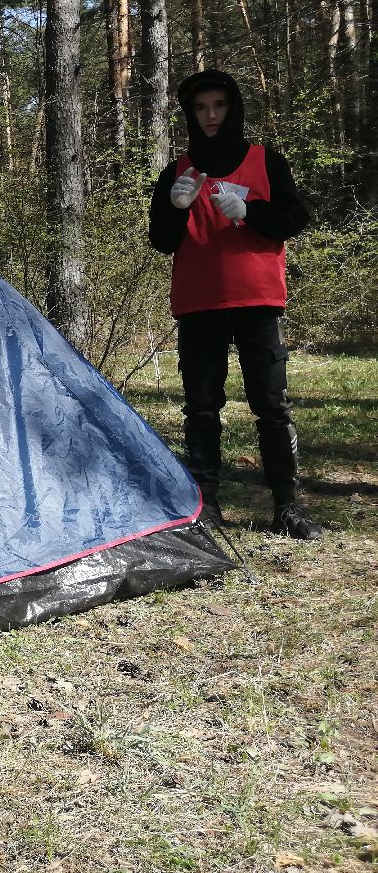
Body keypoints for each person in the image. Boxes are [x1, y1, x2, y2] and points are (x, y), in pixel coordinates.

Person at [148, 70, 321, 540]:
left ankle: (286, 504)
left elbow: (294, 217)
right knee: (202, 407)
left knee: (271, 405)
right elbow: (160, 240)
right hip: (199, 303)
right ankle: (207, 505)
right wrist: (176, 207)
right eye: (202, 108)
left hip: (257, 300)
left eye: (219, 106)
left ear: (233, 109)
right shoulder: (180, 170)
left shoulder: (266, 161)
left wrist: (252, 213)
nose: (210, 116)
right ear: (190, 114)